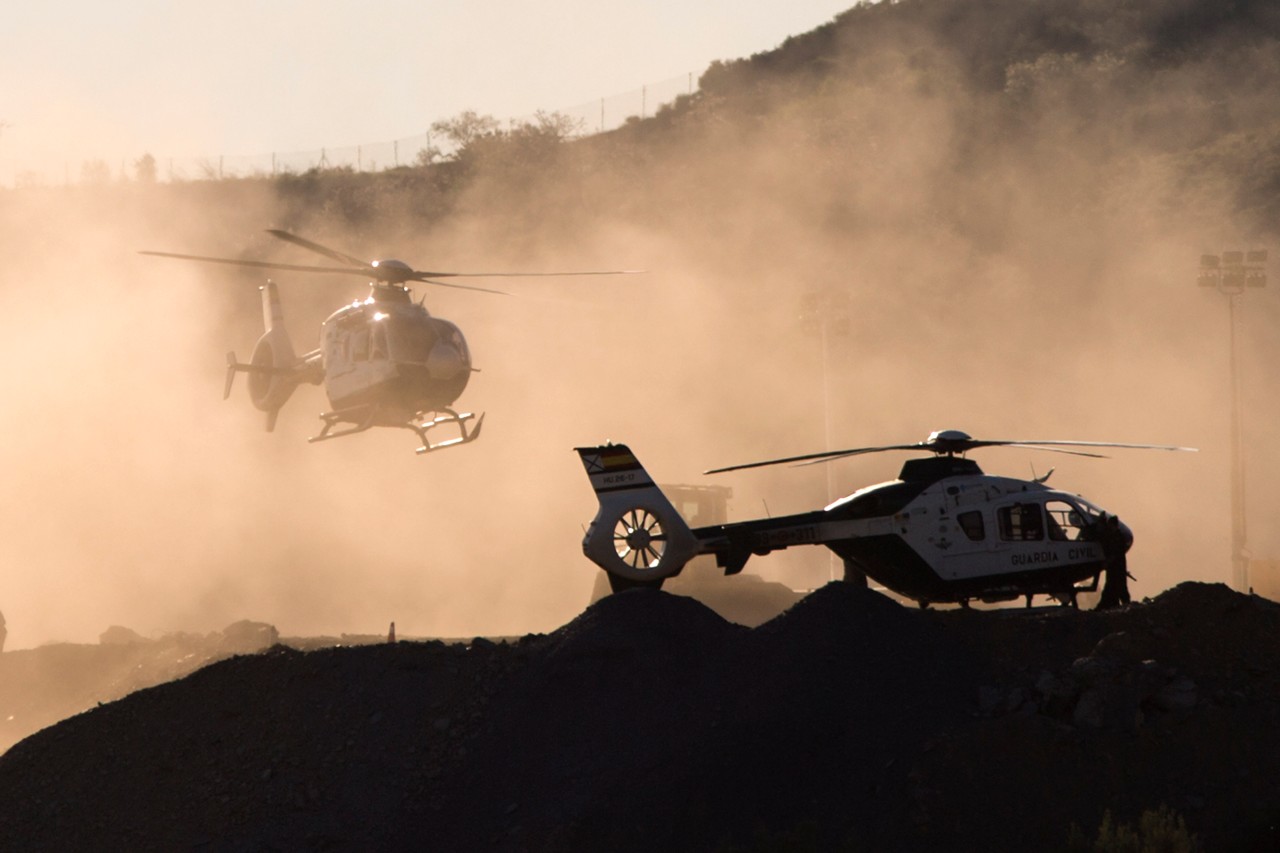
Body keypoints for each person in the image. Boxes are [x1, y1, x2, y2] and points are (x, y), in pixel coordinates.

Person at [1095, 513, 1132, 609]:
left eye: (1110, 525)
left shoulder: (1117, 538)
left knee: (1119, 589)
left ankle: (1126, 607)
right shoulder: (1115, 536)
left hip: (1117, 569)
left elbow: (1115, 554)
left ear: (1114, 525)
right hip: (1115, 569)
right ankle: (1119, 606)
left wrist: (1106, 563)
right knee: (1116, 589)